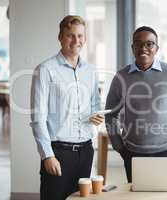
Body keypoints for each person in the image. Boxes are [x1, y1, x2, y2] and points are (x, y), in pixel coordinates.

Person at [105, 26, 167, 182]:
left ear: (156, 48)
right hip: (133, 153)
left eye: (149, 44)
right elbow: (110, 114)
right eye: (138, 44)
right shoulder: (121, 77)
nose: (144, 48)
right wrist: (118, 145)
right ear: (132, 48)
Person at [30, 15, 104, 200]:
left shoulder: (91, 71)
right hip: (58, 153)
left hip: (86, 151)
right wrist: (47, 155)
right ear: (60, 37)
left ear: (85, 39)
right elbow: (38, 118)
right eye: (70, 35)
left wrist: (97, 115)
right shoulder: (45, 70)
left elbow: (95, 103)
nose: (76, 40)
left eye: (80, 36)